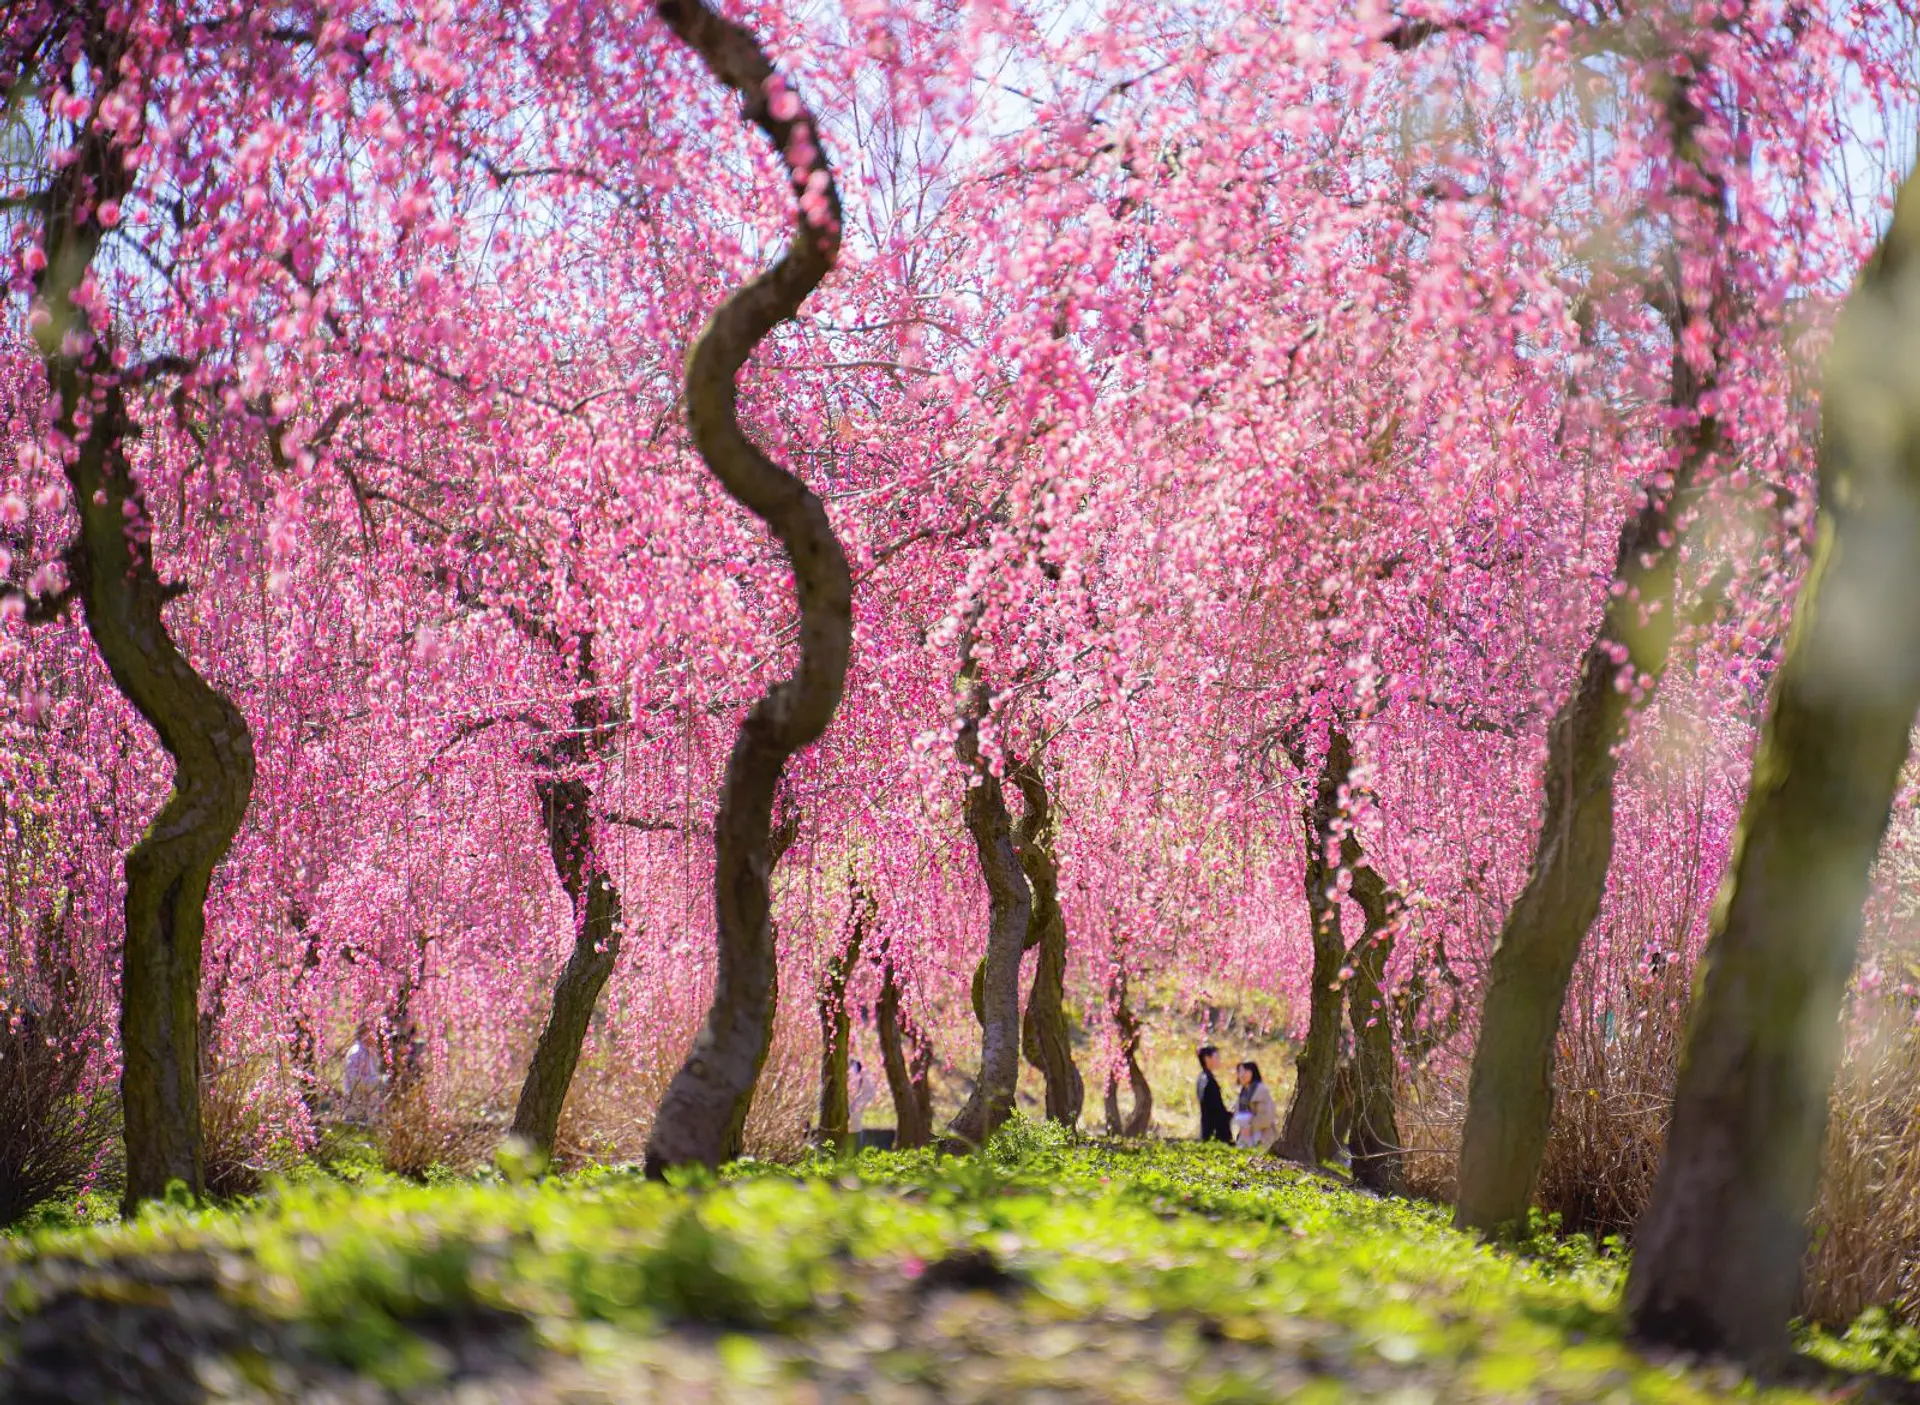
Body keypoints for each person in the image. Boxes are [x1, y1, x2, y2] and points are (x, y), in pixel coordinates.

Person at [341, 1021, 385, 1125]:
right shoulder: (356, 1052)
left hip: (366, 1105)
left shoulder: (369, 1051)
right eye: (372, 1033)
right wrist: (374, 1083)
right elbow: (353, 1079)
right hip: (356, 1106)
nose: (375, 1036)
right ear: (365, 1034)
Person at [1234, 1061, 1278, 1149]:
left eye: (1245, 1071)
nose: (1242, 1074)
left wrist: (1249, 1127)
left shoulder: (1261, 1090)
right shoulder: (1243, 1092)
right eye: (1240, 1071)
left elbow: (1266, 1117)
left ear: (1253, 1072)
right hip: (1246, 1137)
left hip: (1262, 1137)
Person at [1195, 1044, 1232, 1143]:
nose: (1219, 1060)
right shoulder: (1208, 1081)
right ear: (1207, 1058)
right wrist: (1228, 1116)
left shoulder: (1202, 1078)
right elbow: (1214, 1108)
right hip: (1215, 1131)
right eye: (1217, 1057)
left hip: (1208, 1128)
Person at [848, 1057, 877, 1138]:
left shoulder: (858, 1067)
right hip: (858, 1096)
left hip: (862, 1096)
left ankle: (855, 1140)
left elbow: (868, 1090)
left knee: (855, 1117)